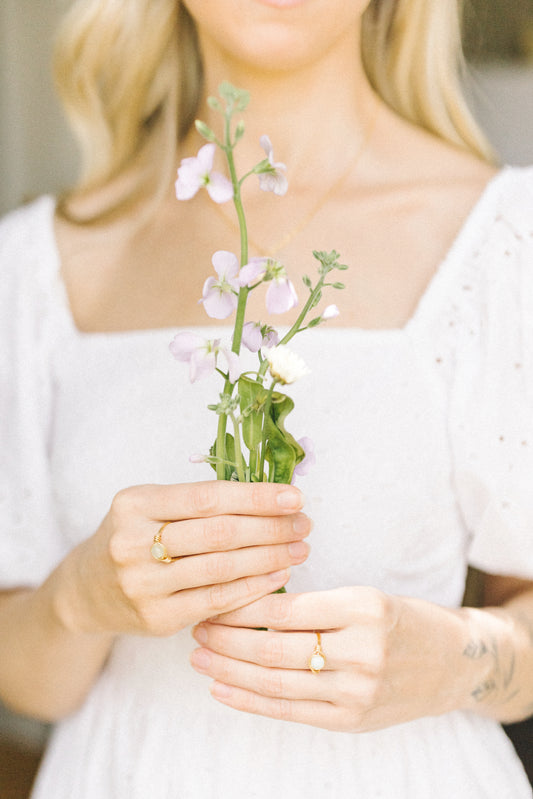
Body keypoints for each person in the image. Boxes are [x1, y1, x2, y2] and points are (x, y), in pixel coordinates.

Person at [1, 0, 533, 796]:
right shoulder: (33, 267)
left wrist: (447, 657)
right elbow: (30, 685)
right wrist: (79, 599)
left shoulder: (504, 242)